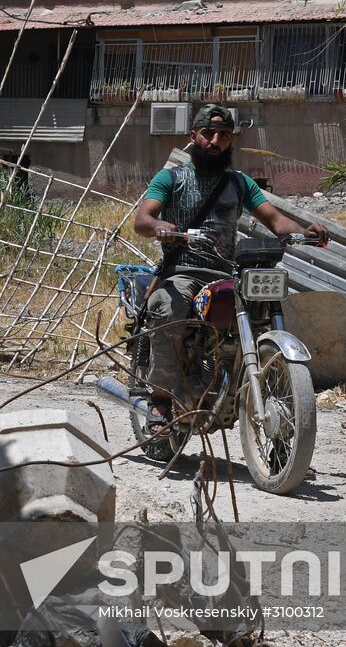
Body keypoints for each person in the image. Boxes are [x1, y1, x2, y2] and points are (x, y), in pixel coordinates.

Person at [132, 105, 328, 433]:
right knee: (166, 307)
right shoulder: (172, 178)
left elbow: (274, 219)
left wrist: (304, 230)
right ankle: (161, 400)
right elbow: (142, 219)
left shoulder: (239, 183)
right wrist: (160, 225)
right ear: (193, 136)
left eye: (223, 135)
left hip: (226, 273)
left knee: (260, 312)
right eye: (208, 133)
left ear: (231, 141)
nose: (215, 140)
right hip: (183, 270)